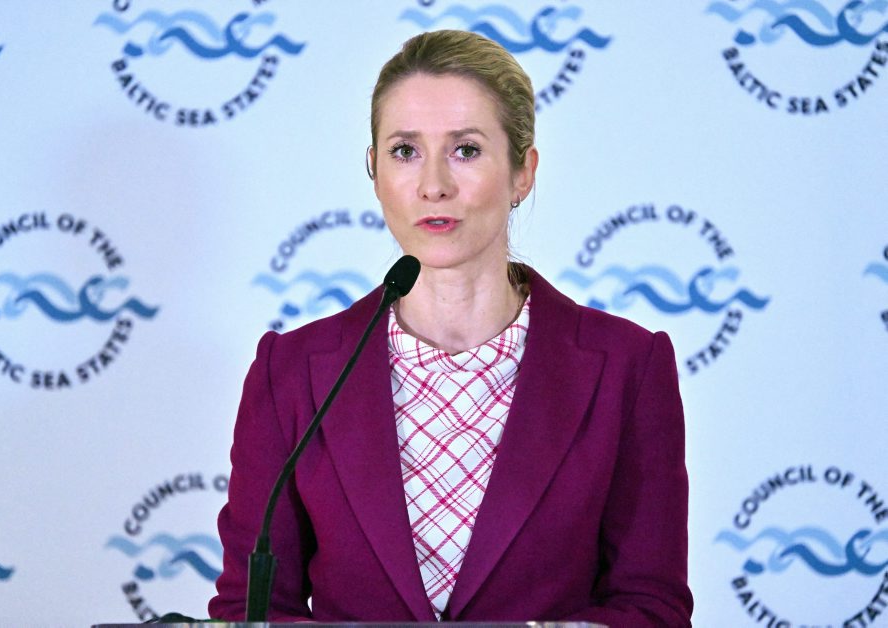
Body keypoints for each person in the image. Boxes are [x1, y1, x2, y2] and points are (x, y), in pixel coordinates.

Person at [209, 30, 692, 626]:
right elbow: (249, 610)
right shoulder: (290, 372)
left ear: (522, 173)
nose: (433, 184)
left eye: (465, 149)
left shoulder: (627, 368)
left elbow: (652, 608)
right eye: (404, 151)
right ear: (374, 170)